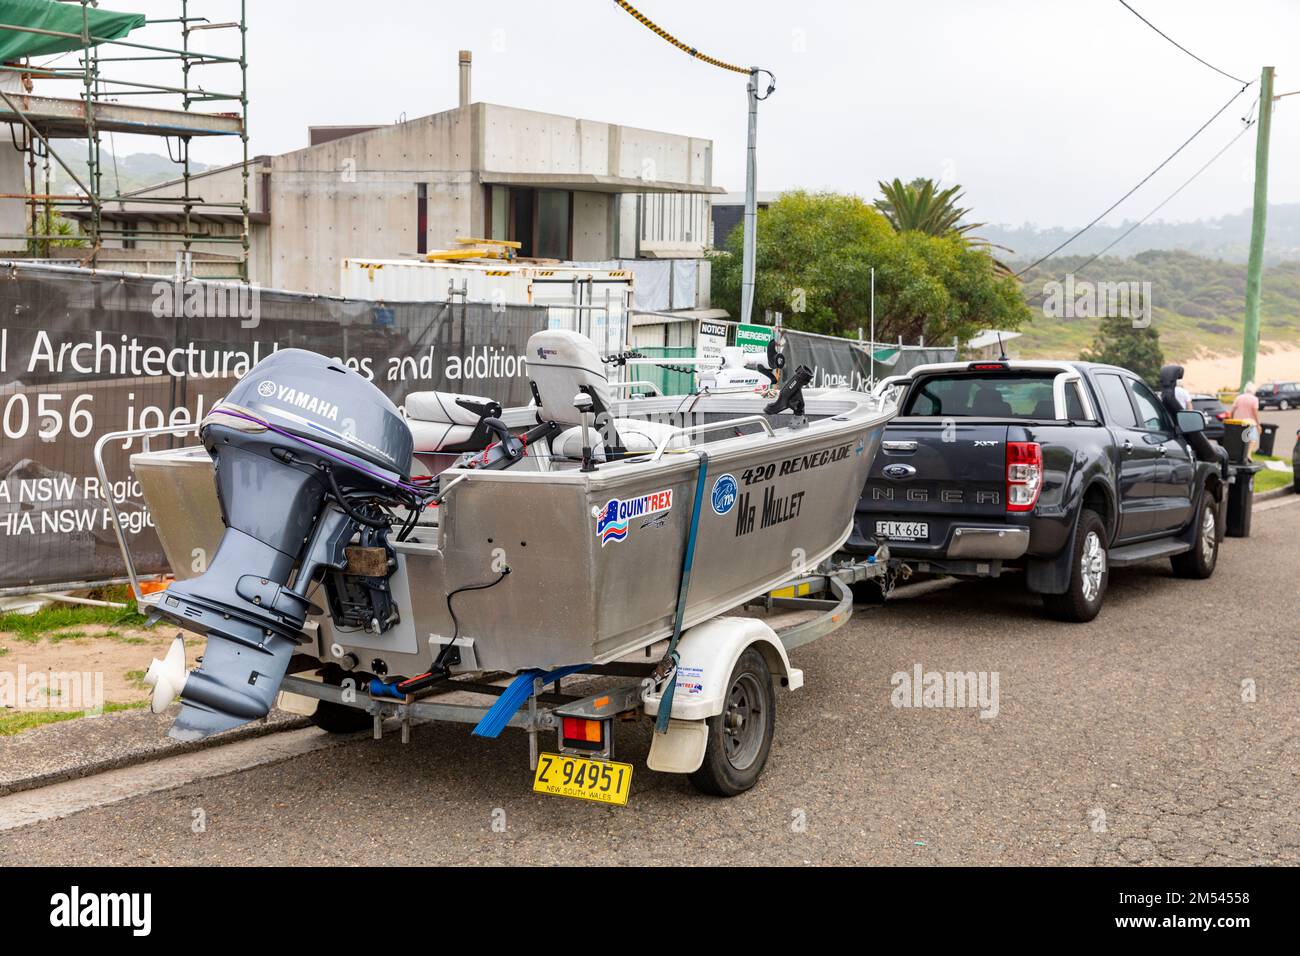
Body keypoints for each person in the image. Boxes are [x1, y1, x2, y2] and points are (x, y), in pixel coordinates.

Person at [1228, 381, 1261, 459]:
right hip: (1250, 422)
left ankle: (1238, 455)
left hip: (1239, 422)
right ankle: (1248, 454)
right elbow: (1255, 412)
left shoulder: (1239, 397)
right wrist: (1258, 424)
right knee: (1252, 439)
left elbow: (1232, 411)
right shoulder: (1255, 399)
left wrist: (1232, 419)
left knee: (1239, 439)